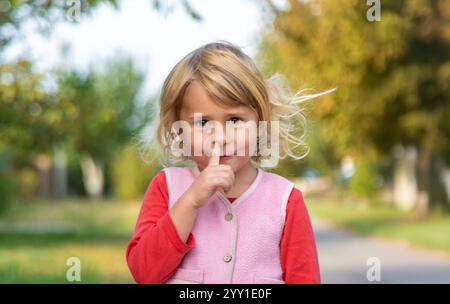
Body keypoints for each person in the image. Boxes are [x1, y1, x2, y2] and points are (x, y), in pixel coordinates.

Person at [126, 41, 325, 284]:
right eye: (202, 123)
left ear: (260, 122)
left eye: (234, 120)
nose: (220, 138)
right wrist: (190, 201)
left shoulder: (286, 201)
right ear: (178, 130)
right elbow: (144, 273)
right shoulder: (166, 187)